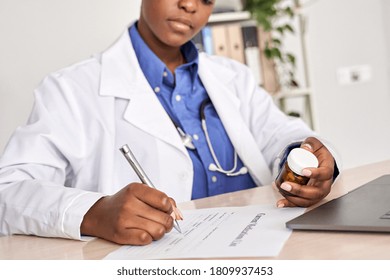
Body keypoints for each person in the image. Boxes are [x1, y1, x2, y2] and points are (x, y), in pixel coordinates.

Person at [0, 0, 338, 245]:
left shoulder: (231, 76)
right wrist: (94, 213)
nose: (190, 6)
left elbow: (279, 132)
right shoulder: (72, 89)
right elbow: (9, 192)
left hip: (264, 243)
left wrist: (304, 158)